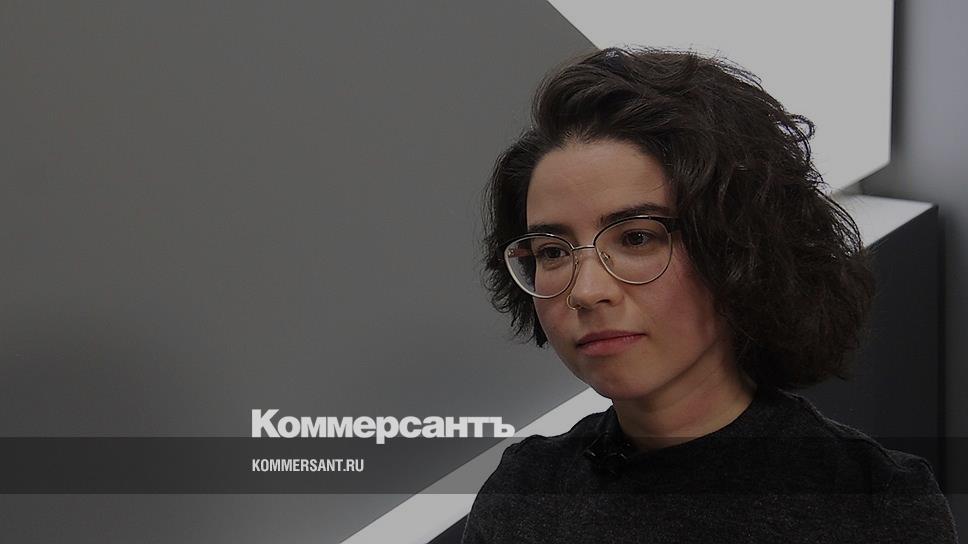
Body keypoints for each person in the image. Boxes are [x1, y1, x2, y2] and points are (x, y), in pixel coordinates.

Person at [462, 47, 958, 543]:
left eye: (636, 238)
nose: (587, 291)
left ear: (737, 247)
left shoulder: (873, 507)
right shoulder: (523, 494)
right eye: (552, 252)